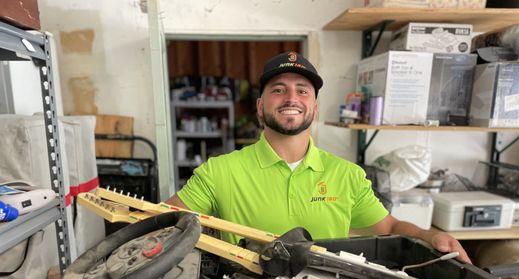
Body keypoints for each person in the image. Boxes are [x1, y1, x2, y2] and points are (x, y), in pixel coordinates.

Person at [166, 51, 471, 263]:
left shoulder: (346, 176)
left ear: (314, 108)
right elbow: (162, 221)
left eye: (303, 91)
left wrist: (428, 236)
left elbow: (390, 228)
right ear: (260, 107)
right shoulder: (219, 172)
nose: (291, 98)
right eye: (278, 90)